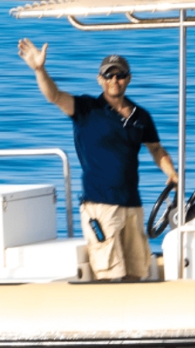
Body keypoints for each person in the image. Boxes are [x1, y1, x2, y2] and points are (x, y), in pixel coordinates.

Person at [17, 40, 177, 281]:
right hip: (100, 205)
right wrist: (39, 70)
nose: (115, 80)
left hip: (132, 204)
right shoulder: (86, 109)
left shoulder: (140, 115)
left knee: (137, 271)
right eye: (109, 75)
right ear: (100, 79)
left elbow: (155, 148)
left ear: (128, 79)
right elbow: (55, 96)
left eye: (120, 75)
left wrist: (171, 173)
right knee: (108, 272)